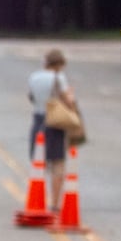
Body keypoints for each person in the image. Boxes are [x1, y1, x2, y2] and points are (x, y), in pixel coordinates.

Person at [28, 48, 77, 213]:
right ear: (59, 64)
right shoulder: (58, 78)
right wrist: (71, 95)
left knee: (39, 163)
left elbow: (31, 97)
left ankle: (37, 199)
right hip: (54, 122)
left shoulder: (34, 77)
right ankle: (55, 203)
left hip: (38, 120)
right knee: (57, 163)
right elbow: (68, 101)